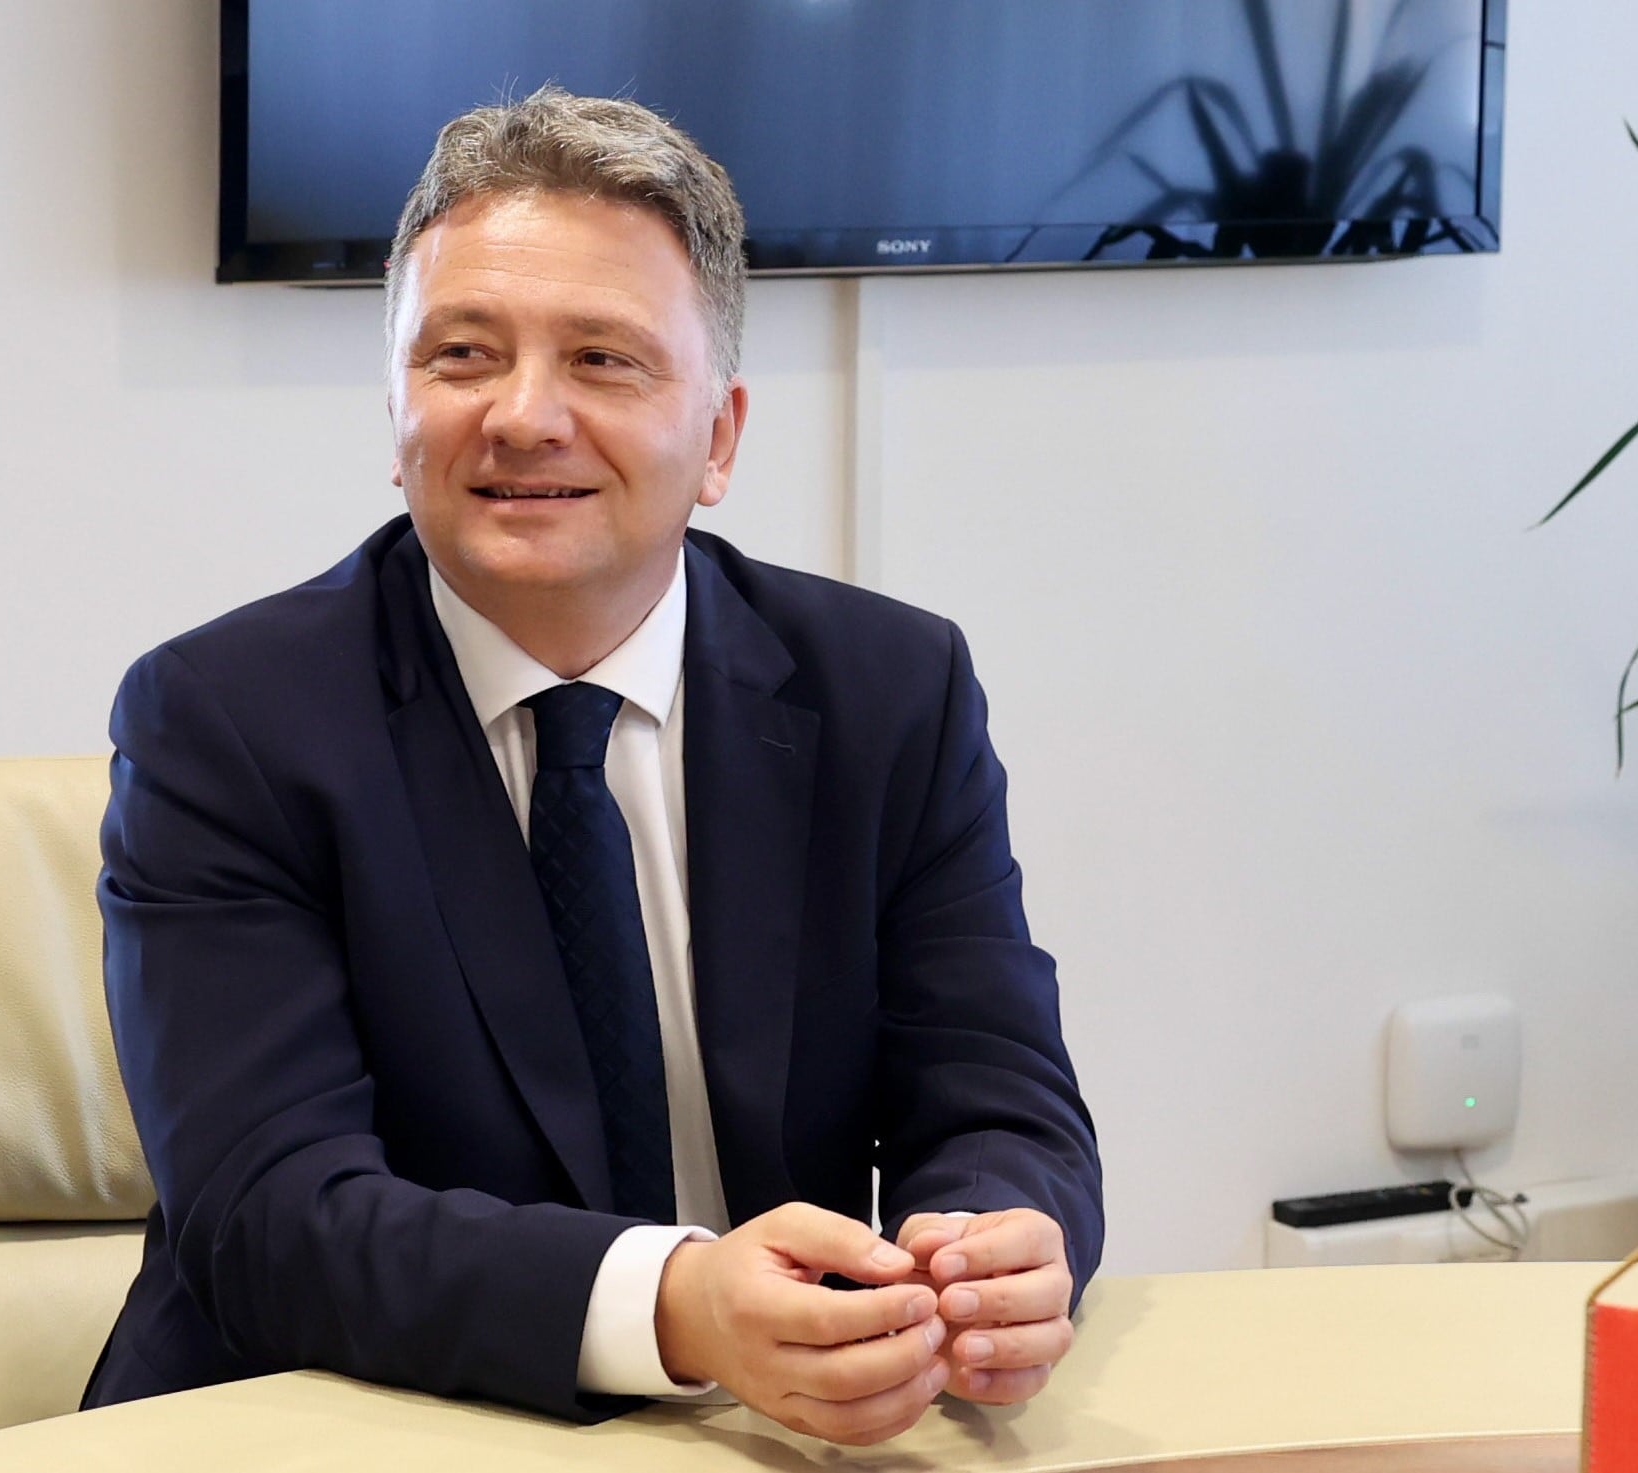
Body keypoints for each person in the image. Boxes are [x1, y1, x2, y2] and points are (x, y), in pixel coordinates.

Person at [83, 86, 1102, 1448]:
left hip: (764, 1436)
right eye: (462, 355)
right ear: (396, 410)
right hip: (331, 1426)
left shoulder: (888, 691)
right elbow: (268, 1216)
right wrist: (675, 1306)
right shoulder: (227, 722)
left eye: (603, 360)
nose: (522, 416)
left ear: (720, 437)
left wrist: (990, 1245)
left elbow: (995, 1088)